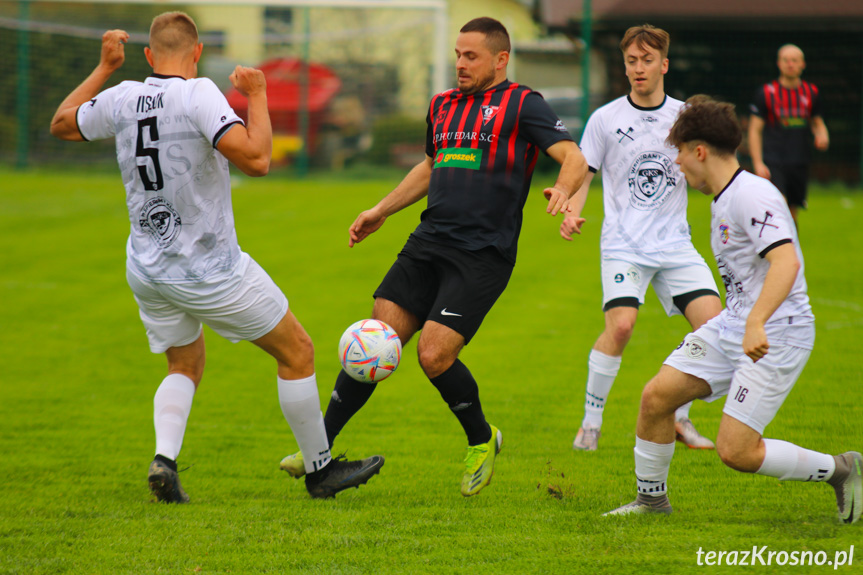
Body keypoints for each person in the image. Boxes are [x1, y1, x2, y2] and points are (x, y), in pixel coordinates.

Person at [49, 12, 384, 503]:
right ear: (198, 51)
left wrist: (104, 67)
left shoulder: (121, 96)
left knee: (183, 363)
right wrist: (258, 95)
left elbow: (61, 123)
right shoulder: (199, 93)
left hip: (147, 267)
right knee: (298, 352)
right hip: (209, 271)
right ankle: (320, 472)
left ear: (147, 56)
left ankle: (164, 461)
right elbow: (258, 159)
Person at [279, 16, 587, 497]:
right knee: (373, 344)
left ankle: (482, 440)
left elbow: (574, 157)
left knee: (434, 355)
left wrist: (564, 191)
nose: (460, 64)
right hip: (428, 242)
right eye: (458, 55)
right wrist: (381, 209)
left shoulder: (523, 104)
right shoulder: (441, 105)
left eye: (471, 56)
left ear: (500, 59)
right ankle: (319, 447)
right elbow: (430, 165)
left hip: (483, 253)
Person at [604, 95, 861, 522]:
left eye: (681, 154)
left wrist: (757, 322)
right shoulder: (724, 197)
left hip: (777, 333)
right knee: (656, 398)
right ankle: (651, 503)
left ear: (700, 151)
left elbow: (786, 261)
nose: (678, 165)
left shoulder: (751, 196)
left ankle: (843, 470)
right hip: (734, 326)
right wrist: (744, 320)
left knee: (737, 451)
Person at [560, 24, 720, 452]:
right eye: (631, 61)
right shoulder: (605, 119)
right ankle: (591, 423)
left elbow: (707, 173)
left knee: (714, 327)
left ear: (663, 64)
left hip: (674, 245)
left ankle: (681, 418)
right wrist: (572, 212)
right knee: (622, 326)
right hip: (624, 245)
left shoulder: (685, 118)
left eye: (647, 60)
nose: (638, 68)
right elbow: (582, 174)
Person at [748, 44, 829, 226]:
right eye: (786, 60)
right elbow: (755, 130)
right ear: (779, 63)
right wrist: (758, 162)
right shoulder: (766, 93)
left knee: (793, 213)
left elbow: (817, 122)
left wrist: (822, 135)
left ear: (802, 64)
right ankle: (777, 251)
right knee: (779, 206)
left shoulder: (811, 93)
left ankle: (793, 251)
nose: (790, 64)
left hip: (799, 160)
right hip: (773, 160)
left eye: (794, 60)